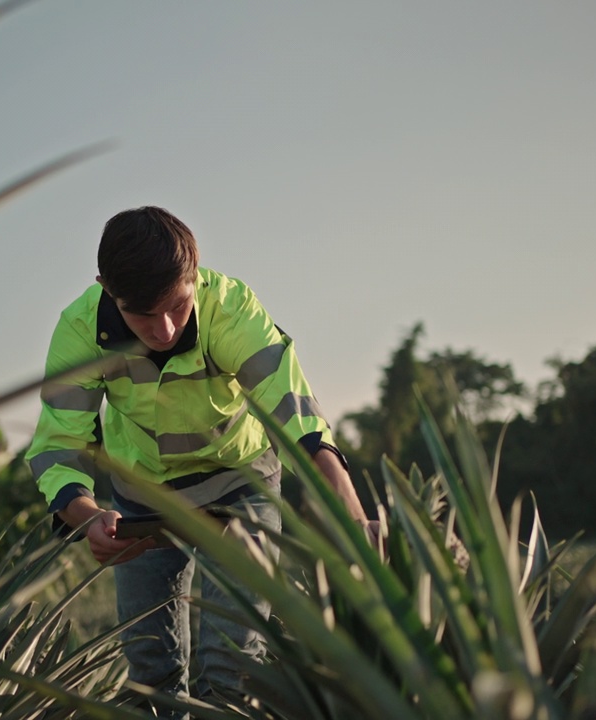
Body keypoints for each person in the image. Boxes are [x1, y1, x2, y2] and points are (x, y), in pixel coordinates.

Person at [25, 206, 370, 713]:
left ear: (195, 275)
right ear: (105, 287)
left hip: (240, 485)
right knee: (150, 674)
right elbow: (59, 445)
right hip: (142, 499)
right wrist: (90, 518)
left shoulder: (232, 309)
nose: (164, 329)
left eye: (178, 305)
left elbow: (294, 413)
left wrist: (352, 516)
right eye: (142, 314)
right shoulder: (78, 331)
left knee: (231, 662)